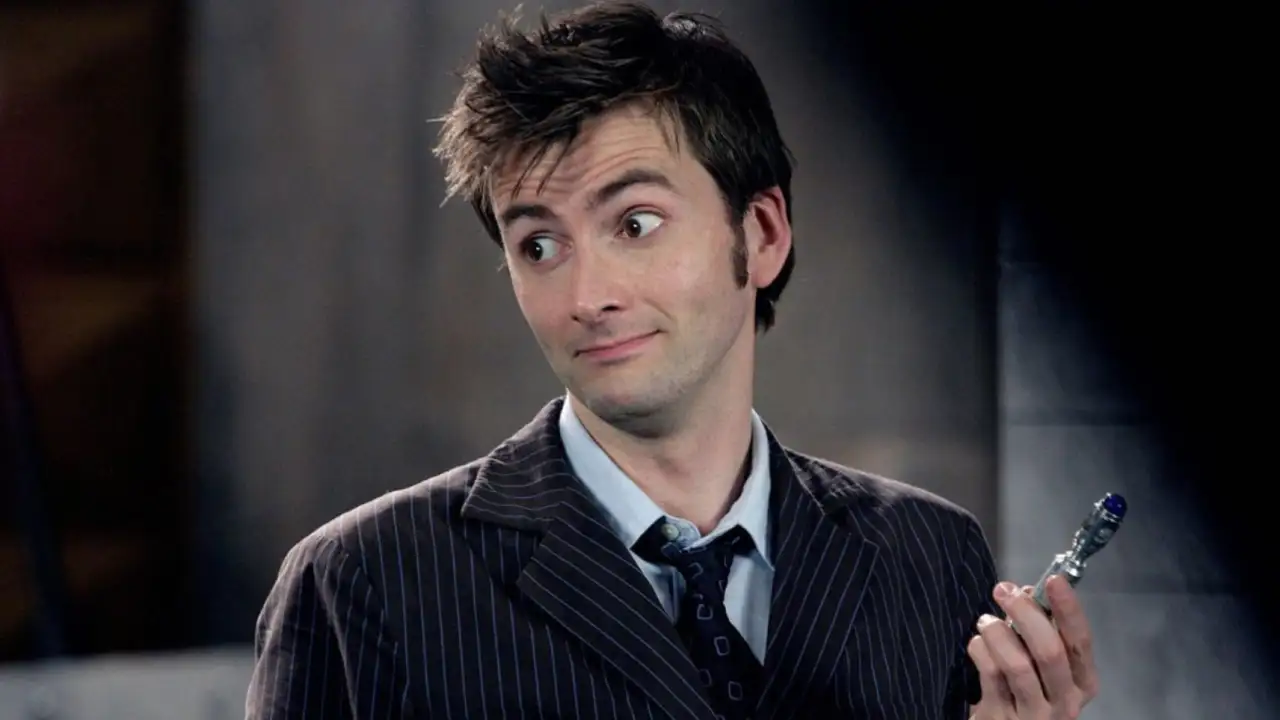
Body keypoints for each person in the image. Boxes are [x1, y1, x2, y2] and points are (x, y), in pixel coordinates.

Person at [245, 2, 1101, 718]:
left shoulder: (930, 556)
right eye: (538, 244)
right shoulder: (365, 583)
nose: (587, 295)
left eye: (636, 224)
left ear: (760, 234)